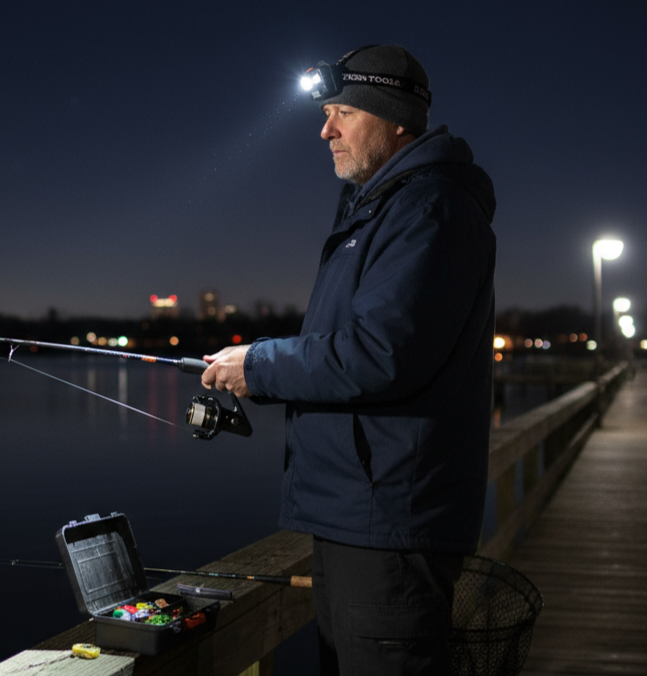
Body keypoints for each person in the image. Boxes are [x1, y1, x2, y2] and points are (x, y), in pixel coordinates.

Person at [202, 44, 496, 675]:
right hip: (358, 514)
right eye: (326, 113)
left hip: (390, 520)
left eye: (343, 113)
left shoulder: (430, 208)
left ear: (395, 119)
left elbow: (382, 353)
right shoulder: (382, 206)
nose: (324, 129)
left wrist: (257, 365)